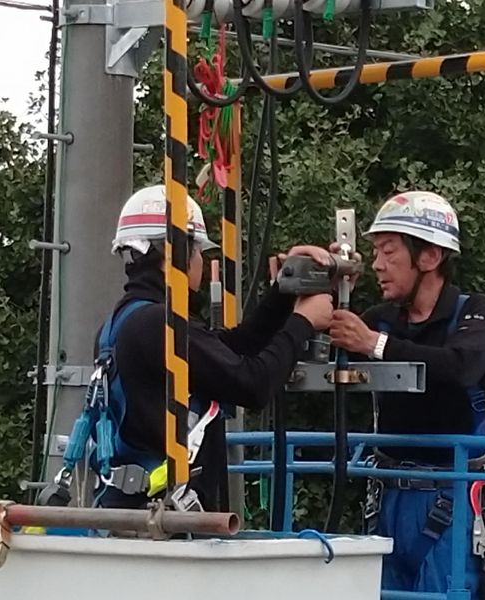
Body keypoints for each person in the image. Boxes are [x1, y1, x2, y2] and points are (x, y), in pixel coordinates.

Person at [96, 184, 333, 511]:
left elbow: (232, 349)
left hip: (133, 508)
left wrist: (284, 291)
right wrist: (302, 322)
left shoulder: (126, 320)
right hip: (165, 519)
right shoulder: (159, 324)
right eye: (198, 252)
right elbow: (252, 384)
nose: (201, 262)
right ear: (176, 253)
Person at [329, 191, 485, 597]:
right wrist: (320, 290)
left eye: (389, 251)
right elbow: (321, 354)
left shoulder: (474, 312)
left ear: (429, 257)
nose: (377, 264)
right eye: (375, 252)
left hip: (453, 490)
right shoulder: (381, 320)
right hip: (388, 491)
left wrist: (375, 344)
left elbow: (461, 366)